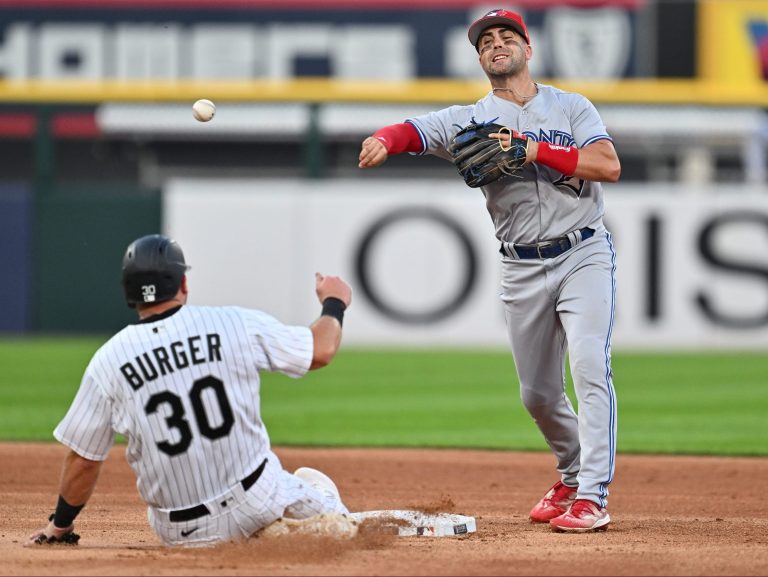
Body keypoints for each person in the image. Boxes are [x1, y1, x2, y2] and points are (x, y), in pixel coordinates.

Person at [358, 8, 620, 533]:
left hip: (583, 251)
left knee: (589, 364)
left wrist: (533, 150)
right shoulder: (467, 120)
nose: (497, 44)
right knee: (538, 396)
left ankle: (591, 496)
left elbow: (607, 165)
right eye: (486, 42)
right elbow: (411, 129)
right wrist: (386, 140)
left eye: (507, 36)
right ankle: (570, 474)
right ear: (480, 59)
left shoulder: (571, 107)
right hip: (521, 265)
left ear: (528, 49)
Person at [28, 233, 354, 547]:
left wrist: (61, 525)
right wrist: (334, 302)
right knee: (331, 508)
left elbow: (84, 460)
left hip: (181, 531)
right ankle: (315, 513)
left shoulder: (107, 362)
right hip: (258, 499)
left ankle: (263, 532)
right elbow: (321, 349)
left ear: (129, 294)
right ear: (183, 284)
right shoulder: (234, 324)